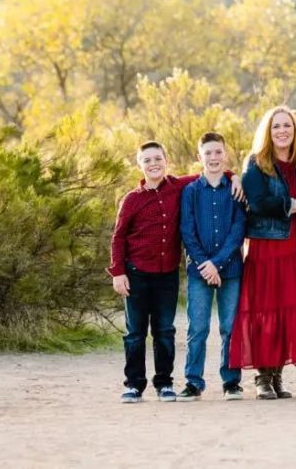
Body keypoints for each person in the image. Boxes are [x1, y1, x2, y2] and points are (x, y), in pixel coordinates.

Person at [229, 106, 296, 399]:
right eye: (276, 126)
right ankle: (262, 377)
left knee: (287, 312)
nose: (282, 131)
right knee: (264, 312)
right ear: (267, 132)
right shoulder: (257, 163)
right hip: (267, 248)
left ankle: (277, 376)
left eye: (287, 126)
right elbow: (257, 202)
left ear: (294, 131)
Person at [108, 142, 198, 403]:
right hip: (136, 274)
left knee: (165, 332)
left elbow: (207, 175)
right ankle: (134, 385)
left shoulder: (177, 187)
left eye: (157, 158)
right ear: (140, 165)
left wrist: (232, 176)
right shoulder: (132, 200)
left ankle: (164, 383)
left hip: (167, 274)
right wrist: (118, 272)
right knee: (135, 333)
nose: (153, 163)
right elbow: (118, 237)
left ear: (166, 160)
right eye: (147, 160)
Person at [177, 132, 246, 402]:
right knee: (198, 328)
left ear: (225, 155)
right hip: (199, 271)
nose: (213, 158)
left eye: (218, 152)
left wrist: (217, 264)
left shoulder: (235, 189)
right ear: (200, 157)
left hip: (230, 271)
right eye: (208, 153)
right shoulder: (191, 191)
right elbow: (187, 230)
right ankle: (194, 382)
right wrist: (205, 265)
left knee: (229, 326)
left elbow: (238, 230)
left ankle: (231, 382)